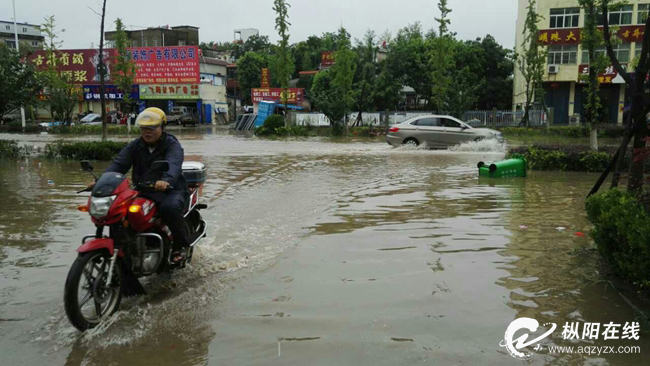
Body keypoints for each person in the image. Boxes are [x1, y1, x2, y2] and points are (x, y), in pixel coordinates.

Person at [89, 107, 191, 262]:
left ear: (162, 127)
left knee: (169, 208)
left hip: (171, 190)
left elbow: (174, 163)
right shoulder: (135, 145)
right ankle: (125, 249)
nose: (147, 132)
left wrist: (166, 180)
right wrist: (101, 182)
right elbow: (119, 164)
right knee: (119, 210)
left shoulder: (172, 145)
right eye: (144, 128)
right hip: (143, 189)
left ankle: (180, 246)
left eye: (152, 128)